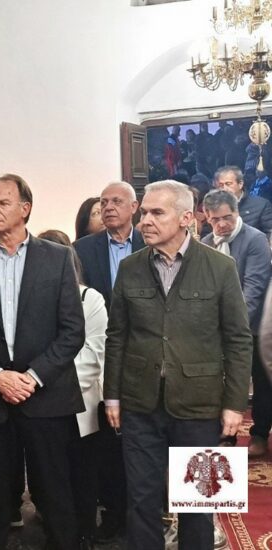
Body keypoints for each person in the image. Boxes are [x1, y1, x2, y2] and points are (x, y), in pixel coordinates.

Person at [104, 180, 251, 550]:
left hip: (201, 404)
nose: (145, 221)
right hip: (139, 403)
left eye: (157, 212)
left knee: (200, 504)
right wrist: (112, 397)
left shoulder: (221, 267)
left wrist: (234, 404)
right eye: (144, 212)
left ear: (186, 218)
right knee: (141, 501)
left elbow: (238, 339)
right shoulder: (130, 267)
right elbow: (117, 335)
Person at [0, 174, 86, 550]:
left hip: (46, 396)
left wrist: (32, 376)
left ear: (25, 209)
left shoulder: (57, 258)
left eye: (2, 203)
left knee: (55, 491)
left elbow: (72, 330)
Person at [38, 229, 108, 544]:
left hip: (80, 403)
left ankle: (84, 533)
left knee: (83, 475)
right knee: (49, 478)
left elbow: (94, 354)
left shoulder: (89, 298)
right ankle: (58, 535)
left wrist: (49, 382)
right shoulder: (33, 299)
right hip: (41, 404)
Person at [200, 189, 272, 457]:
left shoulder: (255, 239)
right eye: (215, 219)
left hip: (254, 327)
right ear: (206, 217)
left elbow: (253, 288)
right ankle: (225, 437)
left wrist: (232, 328)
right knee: (221, 384)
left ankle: (260, 433)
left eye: (227, 217)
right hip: (217, 328)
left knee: (261, 382)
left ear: (237, 211)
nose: (222, 224)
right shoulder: (206, 243)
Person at [73, 181, 145, 308]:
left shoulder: (149, 244)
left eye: (117, 201)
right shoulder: (81, 249)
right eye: (104, 203)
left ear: (134, 207)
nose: (108, 208)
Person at [214, 165, 272, 236]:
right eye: (221, 185)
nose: (224, 188)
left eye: (228, 184)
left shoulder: (261, 205)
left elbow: (270, 232)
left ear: (240, 184)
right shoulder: (213, 206)